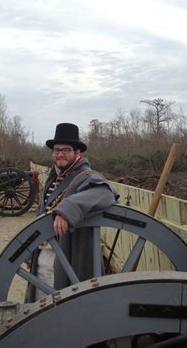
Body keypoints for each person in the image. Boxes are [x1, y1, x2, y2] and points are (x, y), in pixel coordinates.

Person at [26, 123, 117, 301]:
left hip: (69, 258)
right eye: (56, 150)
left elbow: (105, 192)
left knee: (61, 309)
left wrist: (67, 209)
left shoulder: (87, 176)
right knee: (40, 308)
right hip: (43, 255)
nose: (60, 153)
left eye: (66, 149)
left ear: (77, 153)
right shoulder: (55, 176)